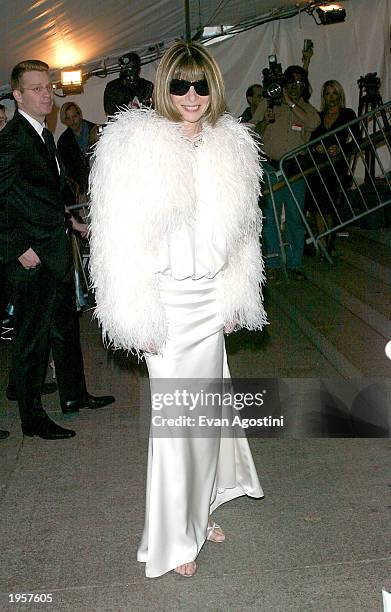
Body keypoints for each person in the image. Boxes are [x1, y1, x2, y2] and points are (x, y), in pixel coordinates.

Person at [89, 40, 267, 578]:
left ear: (213, 88)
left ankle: (200, 506)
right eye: (179, 85)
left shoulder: (232, 146)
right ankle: (172, 539)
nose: (191, 96)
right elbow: (114, 240)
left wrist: (238, 294)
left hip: (212, 300)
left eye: (201, 85)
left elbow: (244, 237)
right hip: (165, 304)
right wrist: (133, 313)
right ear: (164, 88)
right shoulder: (132, 146)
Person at [0, 60, 115, 440]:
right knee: (31, 338)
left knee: (65, 327)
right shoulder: (13, 139)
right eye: (35, 88)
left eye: (47, 86)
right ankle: (32, 419)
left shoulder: (44, 135)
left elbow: (38, 195)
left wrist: (71, 222)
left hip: (55, 248)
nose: (46, 93)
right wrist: (18, 247)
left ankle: (73, 395)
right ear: (17, 95)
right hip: (32, 257)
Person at [251, 65, 320, 281]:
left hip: (295, 170)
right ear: (284, 82)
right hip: (271, 169)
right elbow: (251, 131)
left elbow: (314, 123)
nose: (295, 86)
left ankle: (295, 263)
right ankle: (272, 263)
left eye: (300, 82)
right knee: (270, 218)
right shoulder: (268, 104)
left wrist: (290, 102)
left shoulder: (304, 108)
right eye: (291, 81)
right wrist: (264, 121)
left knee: (294, 218)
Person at [307, 80, 357, 254]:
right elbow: (309, 140)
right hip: (317, 166)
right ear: (323, 97)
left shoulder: (348, 114)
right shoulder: (317, 117)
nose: (331, 97)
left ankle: (328, 240)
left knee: (329, 204)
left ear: (340, 95)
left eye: (334, 93)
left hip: (336, 166)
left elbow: (356, 140)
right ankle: (322, 240)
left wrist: (341, 149)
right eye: (327, 93)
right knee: (316, 204)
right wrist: (315, 147)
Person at [57, 102, 97, 198]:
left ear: (80, 115)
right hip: (82, 191)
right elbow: (65, 170)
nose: (72, 121)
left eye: (74, 116)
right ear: (64, 121)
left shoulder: (95, 130)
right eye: (68, 118)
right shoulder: (63, 142)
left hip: (100, 183)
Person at [103, 52, 153, 117]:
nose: (127, 72)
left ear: (137, 69)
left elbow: (150, 108)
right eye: (123, 68)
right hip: (120, 124)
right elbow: (109, 111)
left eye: (130, 68)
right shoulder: (113, 86)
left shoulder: (147, 85)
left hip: (142, 123)